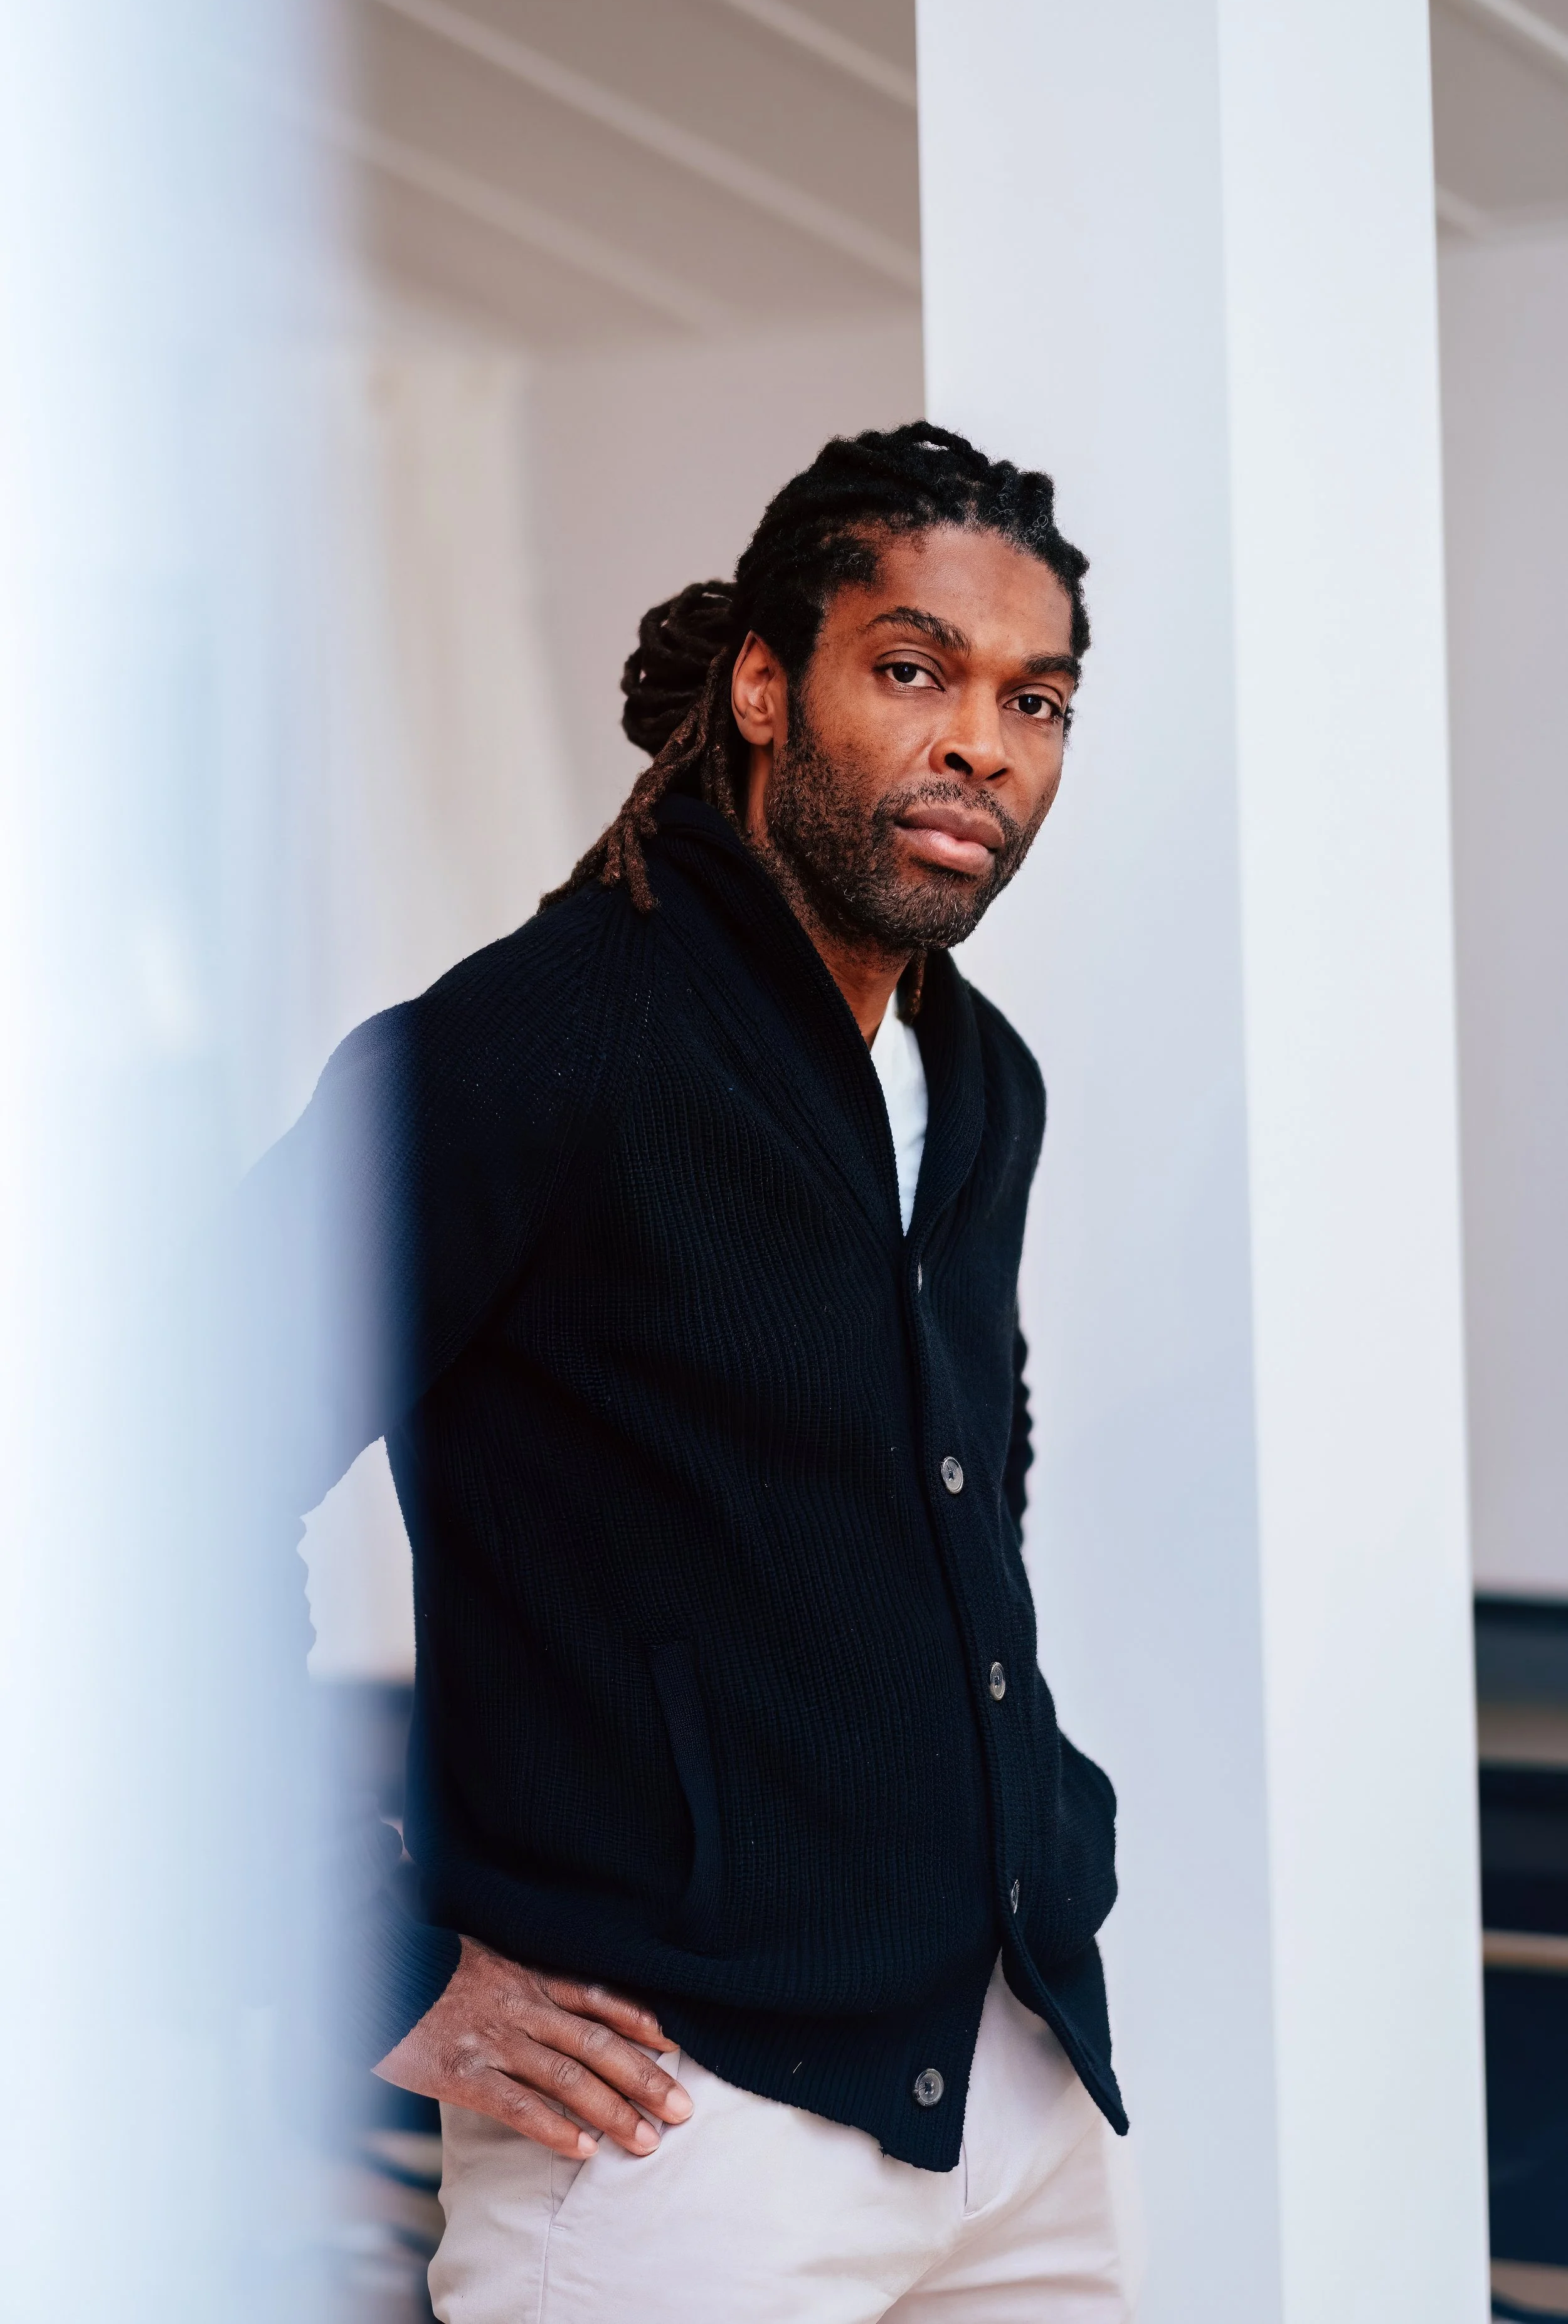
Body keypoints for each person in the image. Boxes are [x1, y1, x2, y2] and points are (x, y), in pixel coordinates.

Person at [237, 422, 1141, 2319]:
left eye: (1032, 697)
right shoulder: (527, 1048)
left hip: (1018, 2090)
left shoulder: (980, 1083)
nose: (980, 739)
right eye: (911, 669)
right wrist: (359, 1950)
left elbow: (973, 1462)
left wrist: (1043, 1823)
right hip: (678, 2136)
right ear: (761, 682)